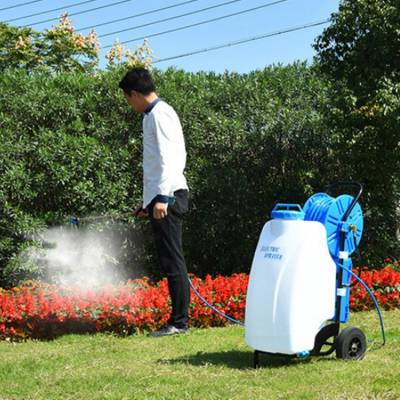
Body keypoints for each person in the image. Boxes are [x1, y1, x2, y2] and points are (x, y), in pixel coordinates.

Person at [119, 67, 190, 337]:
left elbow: (170, 158)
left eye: (128, 99)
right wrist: (147, 202)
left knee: (173, 261)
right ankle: (178, 320)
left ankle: (179, 322)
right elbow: (155, 166)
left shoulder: (160, 114)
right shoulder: (152, 116)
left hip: (169, 198)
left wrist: (162, 198)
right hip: (161, 198)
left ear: (135, 93)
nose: (129, 104)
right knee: (170, 259)